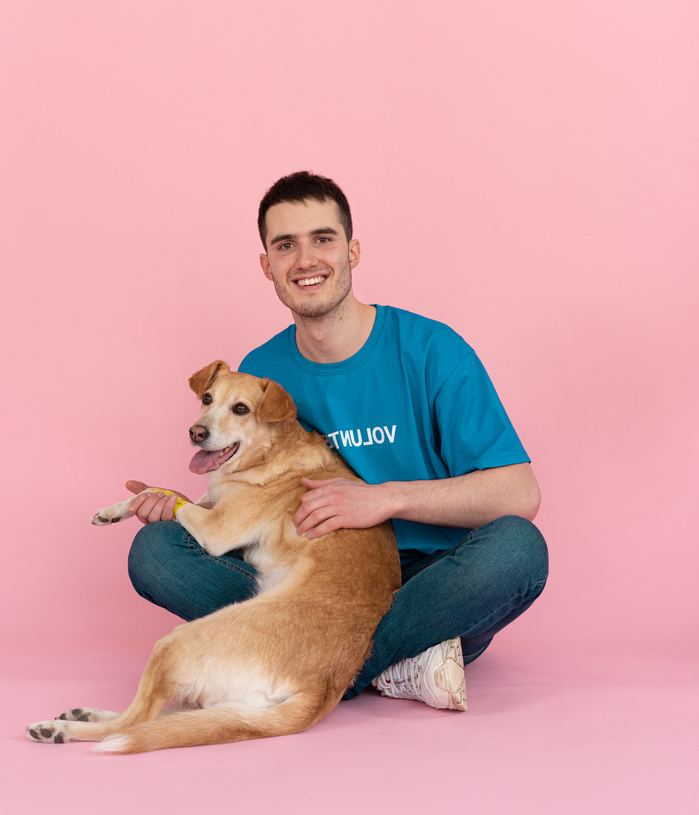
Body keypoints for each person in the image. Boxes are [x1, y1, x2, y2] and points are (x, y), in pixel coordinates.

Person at [127, 171, 548, 711]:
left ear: (352, 250)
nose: (305, 260)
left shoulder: (432, 349)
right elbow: (243, 499)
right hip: (307, 581)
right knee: (155, 552)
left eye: (322, 239)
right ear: (267, 266)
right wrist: (186, 506)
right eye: (285, 245)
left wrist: (387, 497)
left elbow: (520, 493)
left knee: (518, 548)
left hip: (432, 585)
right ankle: (399, 664)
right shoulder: (260, 374)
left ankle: (327, 667)